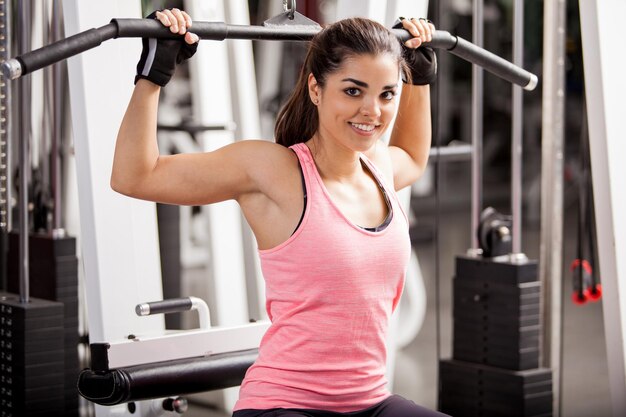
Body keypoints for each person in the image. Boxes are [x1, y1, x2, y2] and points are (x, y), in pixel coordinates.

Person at [112, 8, 449, 417]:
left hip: (371, 403)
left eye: (387, 94)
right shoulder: (274, 171)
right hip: (284, 405)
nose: (372, 112)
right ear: (316, 88)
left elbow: (415, 154)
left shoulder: (380, 167)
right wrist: (154, 73)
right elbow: (135, 176)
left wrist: (422, 79)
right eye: (353, 91)